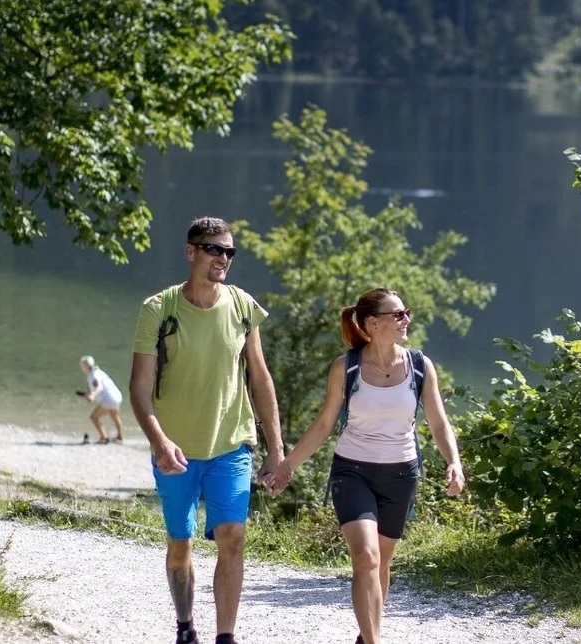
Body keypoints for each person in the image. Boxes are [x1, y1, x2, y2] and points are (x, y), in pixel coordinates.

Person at [270, 287, 466, 644]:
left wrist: (454, 461)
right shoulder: (347, 367)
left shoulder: (420, 366)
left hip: (401, 473)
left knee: (381, 564)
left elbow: (438, 421)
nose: (406, 319)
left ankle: (366, 635)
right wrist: (287, 465)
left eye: (406, 312)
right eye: (398, 314)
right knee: (366, 557)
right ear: (373, 324)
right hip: (352, 471)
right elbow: (324, 424)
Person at [128, 216, 286, 644]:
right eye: (215, 249)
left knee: (232, 537)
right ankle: (185, 625)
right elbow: (139, 388)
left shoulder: (242, 306)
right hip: (175, 451)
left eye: (230, 252)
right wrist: (159, 441)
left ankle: (225, 637)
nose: (223, 259)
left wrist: (277, 449)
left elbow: (260, 379)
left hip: (231, 445)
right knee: (181, 543)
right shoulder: (158, 309)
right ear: (190, 251)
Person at [80, 355, 126, 444]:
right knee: (115, 416)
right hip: (116, 396)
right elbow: (97, 386)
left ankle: (103, 437)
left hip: (108, 399)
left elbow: (98, 387)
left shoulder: (93, 375)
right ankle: (120, 437)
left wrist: (92, 395)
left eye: (82, 366)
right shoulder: (97, 371)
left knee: (94, 417)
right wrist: (87, 392)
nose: (82, 368)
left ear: (85, 366)